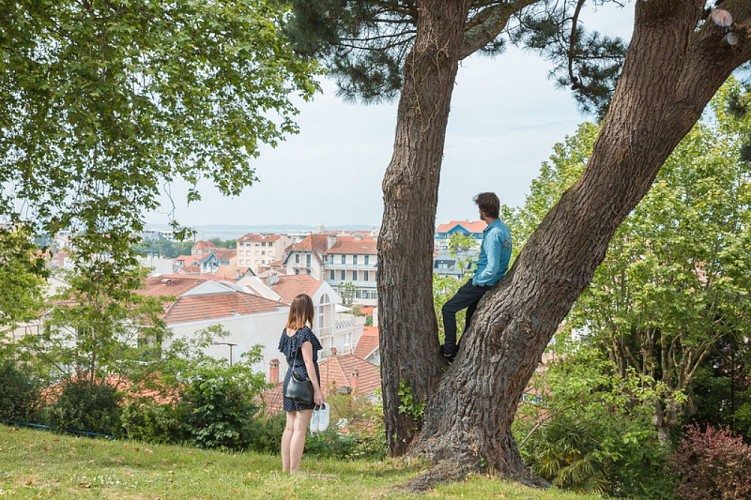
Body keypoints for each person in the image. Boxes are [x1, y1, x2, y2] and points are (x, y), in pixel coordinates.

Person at [440, 192, 512, 362]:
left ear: (483, 211)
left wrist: (477, 281)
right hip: (494, 281)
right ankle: (460, 351)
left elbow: (492, 267)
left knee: (448, 309)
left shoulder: (493, 234)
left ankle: (449, 350)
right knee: (471, 316)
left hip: (484, 282)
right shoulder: (503, 229)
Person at [279, 293, 324, 473]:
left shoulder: (286, 331)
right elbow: (308, 362)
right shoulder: (304, 333)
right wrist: (317, 390)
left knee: (289, 427)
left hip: (290, 379)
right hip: (304, 381)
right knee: (299, 429)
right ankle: (295, 470)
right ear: (308, 311)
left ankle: (285, 468)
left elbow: (288, 357)